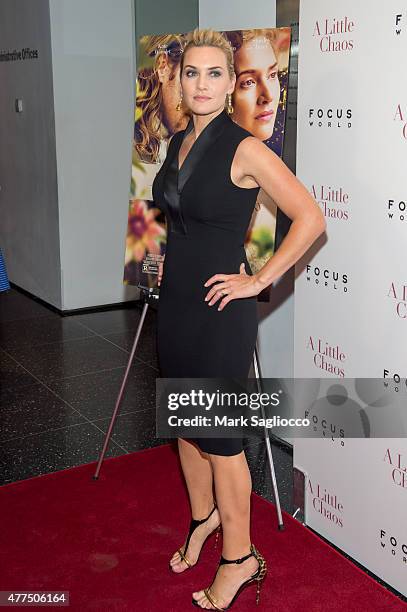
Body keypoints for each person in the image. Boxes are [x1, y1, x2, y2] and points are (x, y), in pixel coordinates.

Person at [152, 28, 326, 610]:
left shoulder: (245, 146)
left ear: (230, 86)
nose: (201, 83)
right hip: (174, 305)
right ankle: (204, 521)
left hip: (220, 313)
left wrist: (259, 279)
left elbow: (309, 217)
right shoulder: (177, 142)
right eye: (192, 73)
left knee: (223, 443)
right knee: (184, 425)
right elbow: (168, 220)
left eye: (214, 74)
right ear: (180, 80)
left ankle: (240, 557)